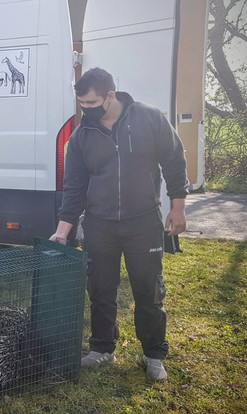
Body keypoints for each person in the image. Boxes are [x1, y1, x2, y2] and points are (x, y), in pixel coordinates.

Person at [49, 68, 189, 381]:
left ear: (110, 96)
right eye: (81, 103)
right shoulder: (81, 135)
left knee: (149, 291)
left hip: (144, 223)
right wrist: (62, 231)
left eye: (91, 102)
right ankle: (101, 349)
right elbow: (73, 188)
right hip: (100, 224)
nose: (86, 109)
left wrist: (178, 206)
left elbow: (174, 159)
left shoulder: (148, 118)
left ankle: (153, 355)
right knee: (100, 289)